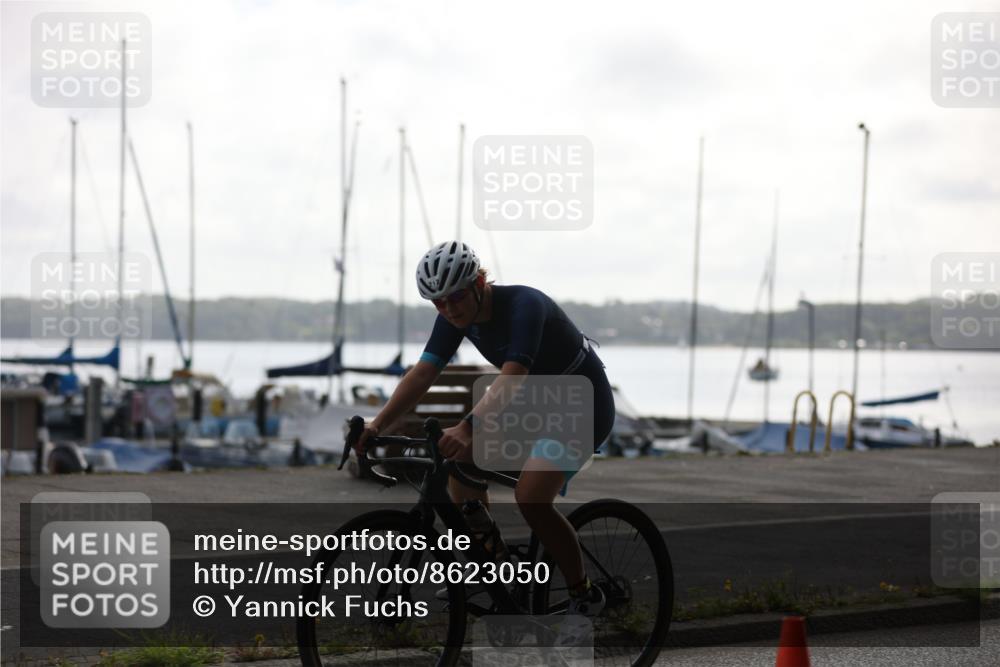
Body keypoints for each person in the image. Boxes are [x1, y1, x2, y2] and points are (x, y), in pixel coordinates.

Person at [357, 240, 616, 617]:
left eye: (456, 297)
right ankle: (494, 566)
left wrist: (468, 427)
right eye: (438, 302)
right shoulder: (452, 315)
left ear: (479, 282)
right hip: (537, 404)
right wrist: (376, 424)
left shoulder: (525, 305)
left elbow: (514, 374)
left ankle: (584, 591)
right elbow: (424, 373)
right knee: (459, 464)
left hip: (582, 405)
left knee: (531, 497)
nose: (449, 308)